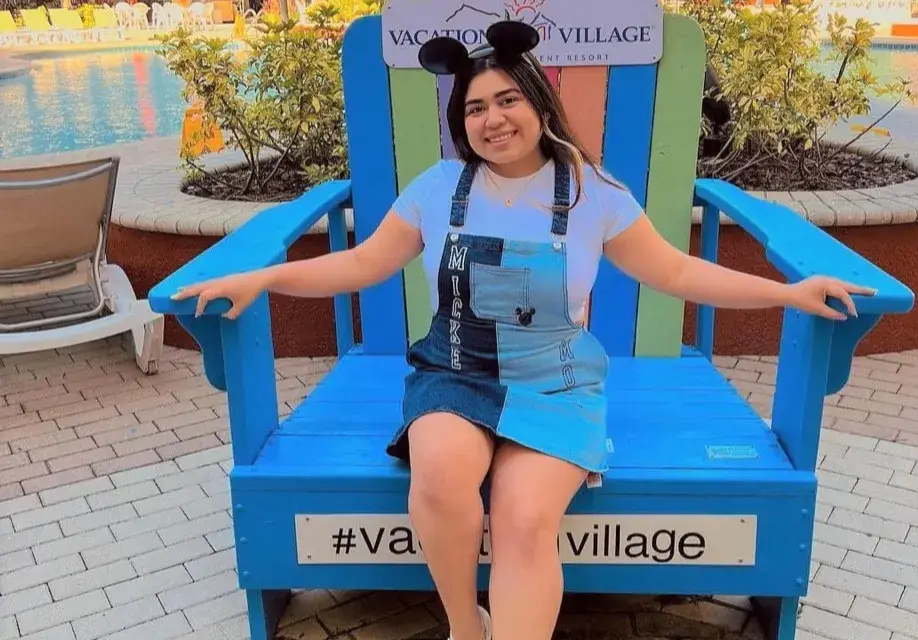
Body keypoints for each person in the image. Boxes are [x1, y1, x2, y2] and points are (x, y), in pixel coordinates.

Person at [171, 20, 876, 640]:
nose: (492, 118)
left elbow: (681, 274)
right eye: (475, 107)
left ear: (539, 102)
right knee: (442, 480)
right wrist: (262, 278)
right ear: (460, 121)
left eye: (508, 99)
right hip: (453, 372)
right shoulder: (438, 189)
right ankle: (463, 626)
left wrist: (788, 291)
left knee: (523, 520)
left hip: (554, 380)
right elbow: (360, 264)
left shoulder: (595, 194)